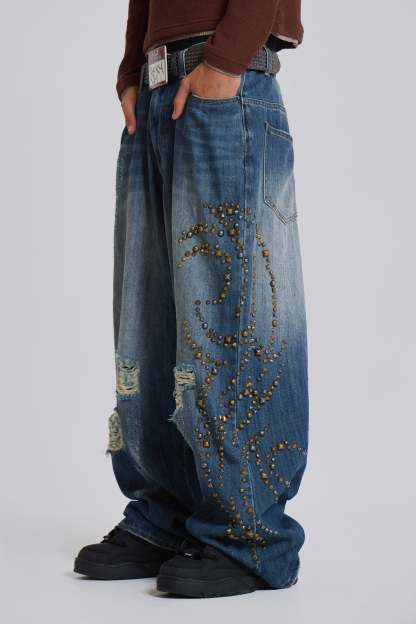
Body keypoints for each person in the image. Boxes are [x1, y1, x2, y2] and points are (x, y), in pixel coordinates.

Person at [74, 0, 309, 599]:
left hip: (226, 79)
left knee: (233, 320)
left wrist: (226, 60)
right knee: (148, 319)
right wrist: (131, 67)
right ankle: (166, 514)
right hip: (159, 85)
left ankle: (250, 535)